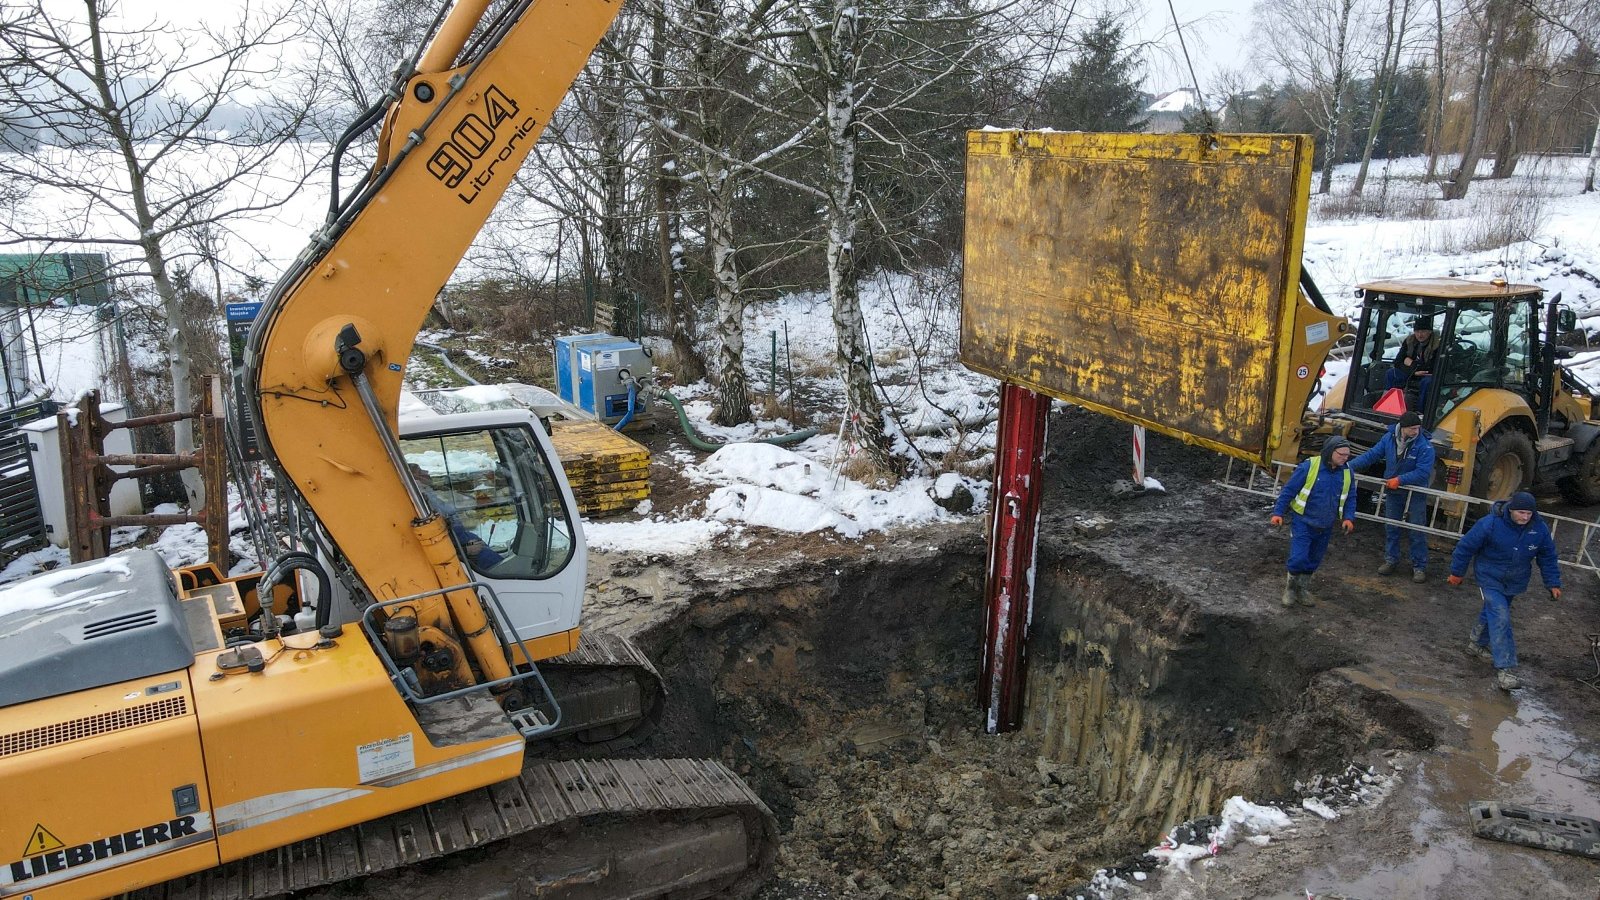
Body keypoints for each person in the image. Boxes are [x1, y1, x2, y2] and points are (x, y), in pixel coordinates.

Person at [1447, 491, 1561, 692]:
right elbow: (1466, 546)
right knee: (1500, 617)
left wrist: (1553, 583)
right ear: (1511, 510)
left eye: (1529, 514)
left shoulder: (1539, 528)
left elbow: (1548, 556)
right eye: (1521, 513)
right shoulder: (1490, 523)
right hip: (1489, 576)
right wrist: (1457, 572)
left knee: (1493, 612)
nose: (1525, 518)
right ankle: (1505, 670)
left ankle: (1476, 644)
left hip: (1515, 581)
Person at [1271, 436, 1358, 608]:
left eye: (1347, 455)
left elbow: (1351, 497)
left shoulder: (1347, 472)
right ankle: (1290, 589)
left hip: (1325, 525)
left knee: (1314, 559)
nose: (1344, 458)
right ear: (1330, 452)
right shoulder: (1309, 467)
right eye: (1341, 454)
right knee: (1298, 558)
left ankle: (1302, 589)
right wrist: (1278, 512)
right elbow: (1289, 490)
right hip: (1303, 522)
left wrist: (1349, 517)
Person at [1350, 411, 1436, 582]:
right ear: (1402, 428)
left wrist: (1400, 479)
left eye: (1418, 428)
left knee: (1417, 529)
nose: (1416, 431)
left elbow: (1423, 472)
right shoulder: (1389, 439)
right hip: (1394, 490)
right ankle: (1391, 560)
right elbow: (1372, 455)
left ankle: (1419, 566)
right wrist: (1348, 466)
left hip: (1415, 492)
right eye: (1412, 428)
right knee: (1391, 526)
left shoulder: (1425, 446)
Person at [407, 463, 505, 571]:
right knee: (496, 564)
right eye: (420, 472)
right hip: (459, 550)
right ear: (413, 480)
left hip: (462, 539)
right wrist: (466, 550)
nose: (427, 472)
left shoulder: (430, 494)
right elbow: (434, 543)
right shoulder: (421, 505)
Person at [1384, 318, 1440, 404]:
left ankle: (1420, 411)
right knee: (1392, 373)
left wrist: (1410, 362)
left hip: (1427, 374)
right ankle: (1390, 403)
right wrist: (1413, 371)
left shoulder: (1437, 345)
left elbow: (1431, 366)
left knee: (1427, 382)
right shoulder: (1409, 341)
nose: (1420, 335)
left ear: (1429, 331)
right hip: (1411, 372)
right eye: (1417, 331)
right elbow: (1397, 362)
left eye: (1423, 331)